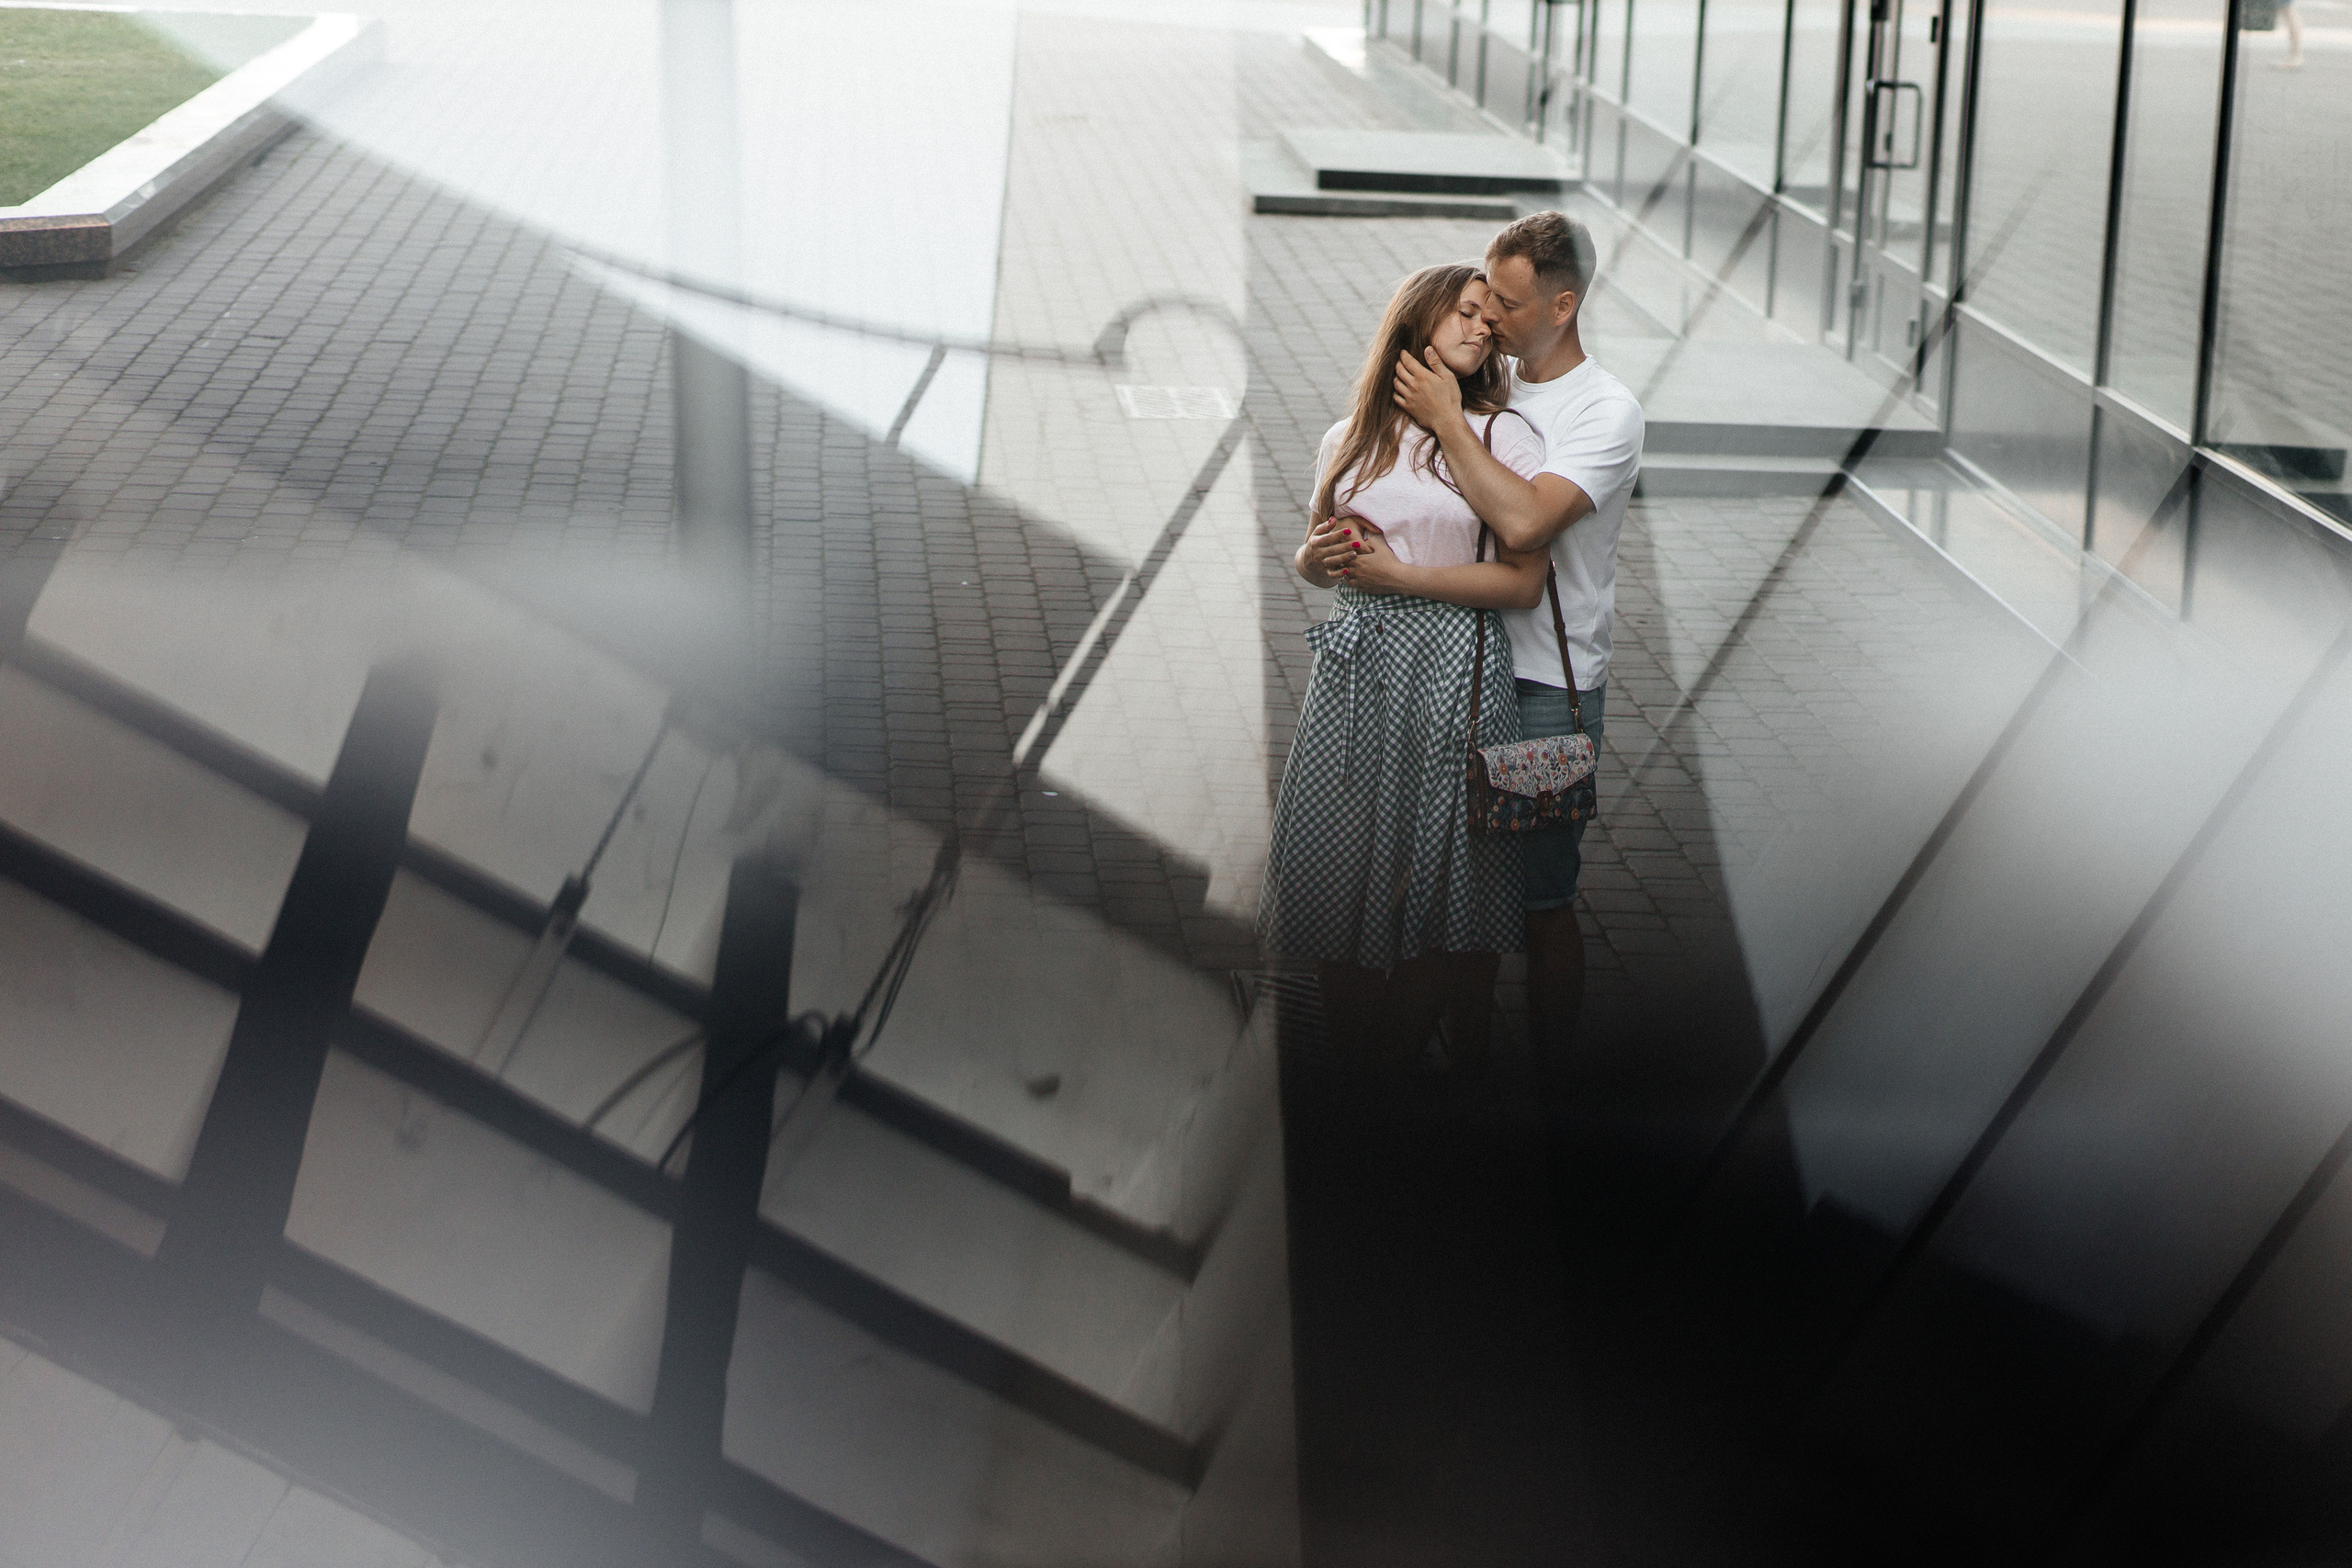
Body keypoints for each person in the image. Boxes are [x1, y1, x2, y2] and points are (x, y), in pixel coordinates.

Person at [1260, 262, 1553, 1080]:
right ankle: (1362, 1071)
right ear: (1416, 321)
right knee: (1337, 863)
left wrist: (1403, 578)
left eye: (1487, 323)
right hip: (1356, 668)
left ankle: (1389, 1073)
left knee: (1446, 874)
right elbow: (1320, 561)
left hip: (1456, 666)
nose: (1479, 328)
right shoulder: (1348, 435)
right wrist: (1314, 559)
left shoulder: (1503, 437)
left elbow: (1523, 583)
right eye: (1463, 313)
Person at [1392, 211, 1645, 1063]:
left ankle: (1549, 1091)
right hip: (1452, 670)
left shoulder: (1605, 412)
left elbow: (1527, 523)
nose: (1488, 315)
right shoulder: (1482, 380)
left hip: (1542, 685)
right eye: (1485, 294)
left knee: (1540, 900)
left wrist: (1450, 422)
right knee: (1450, 899)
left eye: (1506, 300)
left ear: (1563, 305)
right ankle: (1462, 1071)